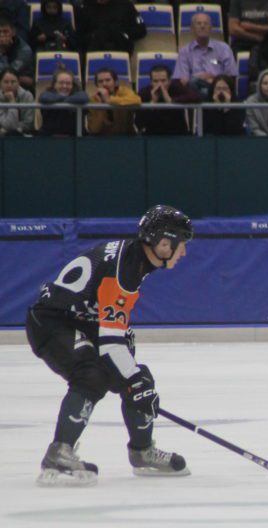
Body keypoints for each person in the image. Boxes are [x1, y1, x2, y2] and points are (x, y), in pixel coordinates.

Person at [25, 205, 194, 487]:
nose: (184, 252)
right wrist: (134, 380)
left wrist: (135, 382)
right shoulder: (126, 270)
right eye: (181, 245)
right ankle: (59, 452)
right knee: (91, 375)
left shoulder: (136, 259)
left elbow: (115, 334)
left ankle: (142, 452)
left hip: (80, 320)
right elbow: (112, 342)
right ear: (163, 243)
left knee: (138, 378)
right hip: (52, 322)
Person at [173, 12, 239, 99]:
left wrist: (213, 79)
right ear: (192, 28)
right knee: (193, 83)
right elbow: (184, 81)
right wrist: (200, 78)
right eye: (198, 23)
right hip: (194, 93)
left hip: (219, 90)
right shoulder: (185, 52)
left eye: (206, 23)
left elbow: (230, 77)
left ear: (211, 28)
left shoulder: (224, 48)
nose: (202, 26)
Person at [136, 64, 202, 135]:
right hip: (153, 135)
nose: (160, 85)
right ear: (151, 82)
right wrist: (152, 104)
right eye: (156, 81)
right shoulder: (144, 93)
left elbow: (197, 97)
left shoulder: (176, 87)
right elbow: (139, 124)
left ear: (169, 81)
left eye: (163, 81)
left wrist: (171, 101)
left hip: (178, 134)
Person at [86, 67, 142, 136]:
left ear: (115, 82)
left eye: (108, 80)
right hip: (102, 139)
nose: (104, 84)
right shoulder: (93, 100)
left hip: (126, 137)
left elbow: (137, 100)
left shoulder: (123, 91)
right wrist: (101, 106)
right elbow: (94, 129)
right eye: (100, 81)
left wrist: (109, 100)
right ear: (97, 85)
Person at [77, 0, 146, 54]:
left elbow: (141, 30)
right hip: (94, 50)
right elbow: (79, 36)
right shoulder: (84, 7)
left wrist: (121, 32)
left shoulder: (125, 5)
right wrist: (95, 35)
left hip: (121, 48)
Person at [38, 68, 88, 136]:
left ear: (73, 85)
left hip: (75, 138)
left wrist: (63, 100)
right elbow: (44, 98)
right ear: (54, 84)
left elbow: (83, 98)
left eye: (68, 83)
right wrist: (67, 100)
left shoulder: (79, 94)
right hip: (50, 138)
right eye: (61, 83)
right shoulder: (46, 94)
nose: (64, 86)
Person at [0, 14, 32, 90]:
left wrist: (1, 51)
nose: (1, 35)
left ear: (13, 32)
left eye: (5, 32)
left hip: (21, 88)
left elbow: (9, 74)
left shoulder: (24, 50)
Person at [0, 66, 33, 135]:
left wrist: (12, 101)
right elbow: (8, 124)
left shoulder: (27, 96)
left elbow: (28, 124)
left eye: (13, 82)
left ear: (18, 83)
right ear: (0, 84)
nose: (9, 85)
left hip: (22, 135)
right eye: (6, 82)